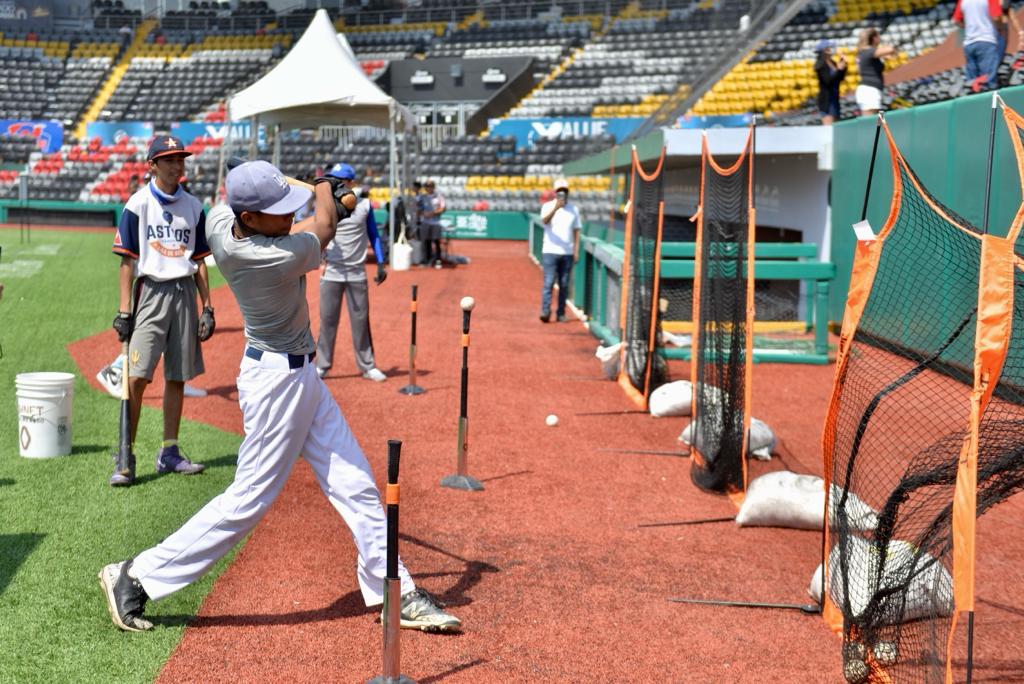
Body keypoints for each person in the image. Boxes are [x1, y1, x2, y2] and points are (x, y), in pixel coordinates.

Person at [98, 160, 461, 635]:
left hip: (302, 376)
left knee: (356, 486)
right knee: (248, 500)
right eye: (278, 212)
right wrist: (327, 189)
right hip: (277, 386)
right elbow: (326, 224)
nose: (289, 216)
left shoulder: (223, 222)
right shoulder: (272, 256)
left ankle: (395, 589)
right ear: (249, 217)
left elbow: (285, 211)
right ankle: (137, 576)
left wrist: (312, 188)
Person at [107, 135, 213, 486]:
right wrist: (125, 311)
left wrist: (208, 306)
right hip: (150, 292)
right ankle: (126, 453)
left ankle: (169, 451)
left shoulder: (195, 207)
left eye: (180, 158)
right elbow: (127, 261)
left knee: (177, 376)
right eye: (168, 159)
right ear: (152, 165)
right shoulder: (137, 204)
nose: (177, 164)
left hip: (184, 292)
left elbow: (199, 262)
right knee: (136, 376)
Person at [315, 162, 389, 382]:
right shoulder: (325, 204)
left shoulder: (365, 205)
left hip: (357, 272)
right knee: (327, 321)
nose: (337, 184)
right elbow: (316, 233)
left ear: (351, 183)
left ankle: (367, 366)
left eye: (341, 180)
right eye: (334, 180)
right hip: (331, 273)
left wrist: (381, 262)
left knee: (360, 321)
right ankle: (322, 365)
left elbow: (374, 235)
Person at [538, 177, 581, 323]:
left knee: (564, 284)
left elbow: (577, 230)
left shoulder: (574, 209)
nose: (562, 194)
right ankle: (545, 310)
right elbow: (544, 221)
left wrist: (576, 250)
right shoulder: (547, 206)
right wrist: (556, 208)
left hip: (567, 252)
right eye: (559, 192)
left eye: (564, 191)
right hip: (550, 251)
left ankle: (561, 312)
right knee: (549, 282)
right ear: (555, 193)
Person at [953, 0, 1008, 92]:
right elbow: (996, 17)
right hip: (986, 40)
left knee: (972, 83)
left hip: (969, 43)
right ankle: (989, 105)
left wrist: (971, 27)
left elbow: (956, 20)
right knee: (988, 82)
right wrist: (1001, 28)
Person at [855, 28, 896, 116]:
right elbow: (890, 49)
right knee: (871, 123)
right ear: (874, 38)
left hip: (870, 90)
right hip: (869, 90)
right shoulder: (868, 51)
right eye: (878, 36)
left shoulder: (864, 52)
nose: (880, 38)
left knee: (873, 123)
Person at [814, 39, 847, 125]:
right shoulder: (820, 65)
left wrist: (843, 67)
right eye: (829, 47)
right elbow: (827, 80)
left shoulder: (832, 62)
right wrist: (838, 70)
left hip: (835, 97)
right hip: (827, 101)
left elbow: (839, 78)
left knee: (836, 125)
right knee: (829, 127)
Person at [419, 179, 445, 269]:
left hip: (435, 222)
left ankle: (438, 260)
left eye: (430, 186)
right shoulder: (423, 197)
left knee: (436, 241)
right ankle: (426, 260)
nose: (429, 188)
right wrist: (422, 213)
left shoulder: (438, 197)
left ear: (433, 187)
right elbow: (419, 208)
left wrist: (433, 213)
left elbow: (442, 208)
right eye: (427, 187)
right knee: (426, 242)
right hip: (425, 222)